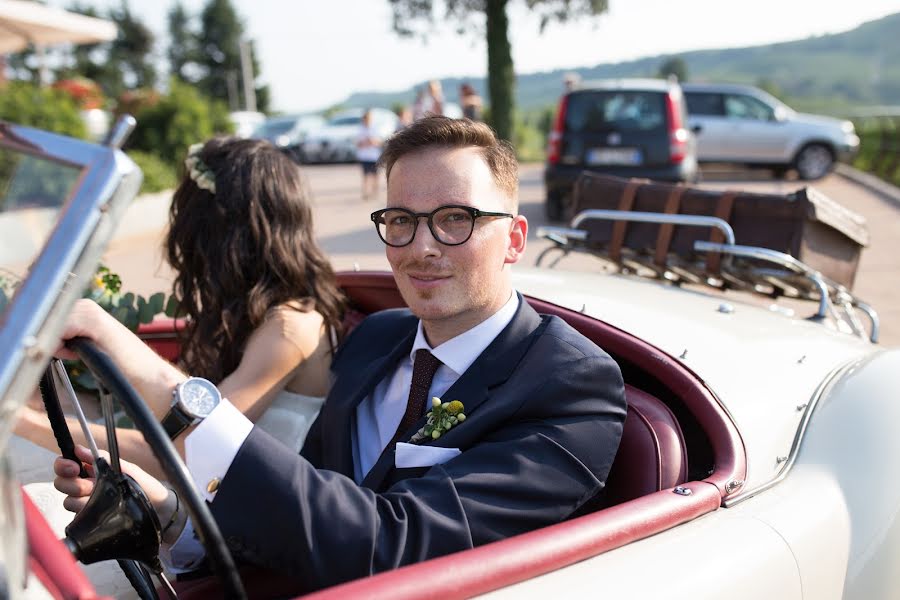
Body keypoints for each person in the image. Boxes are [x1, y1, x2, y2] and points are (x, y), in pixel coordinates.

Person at [52, 116, 627, 593]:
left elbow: (386, 547)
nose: (422, 247)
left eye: (457, 219)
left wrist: (148, 370)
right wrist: (170, 515)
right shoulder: (376, 341)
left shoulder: (570, 384)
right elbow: (311, 504)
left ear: (516, 240)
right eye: (401, 221)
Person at [18, 137, 345, 478]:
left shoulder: (289, 328)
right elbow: (159, 414)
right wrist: (46, 401)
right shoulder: (242, 314)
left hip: (227, 513)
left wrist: (26, 423)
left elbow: (190, 446)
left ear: (216, 233)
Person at [356, 109, 383, 201]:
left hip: (374, 156)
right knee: (365, 175)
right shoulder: (360, 129)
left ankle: (375, 192)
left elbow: (379, 141)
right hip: (364, 156)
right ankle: (366, 192)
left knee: (375, 175)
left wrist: (372, 141)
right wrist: (365, 142)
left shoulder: (375, 128)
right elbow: (358, 143)